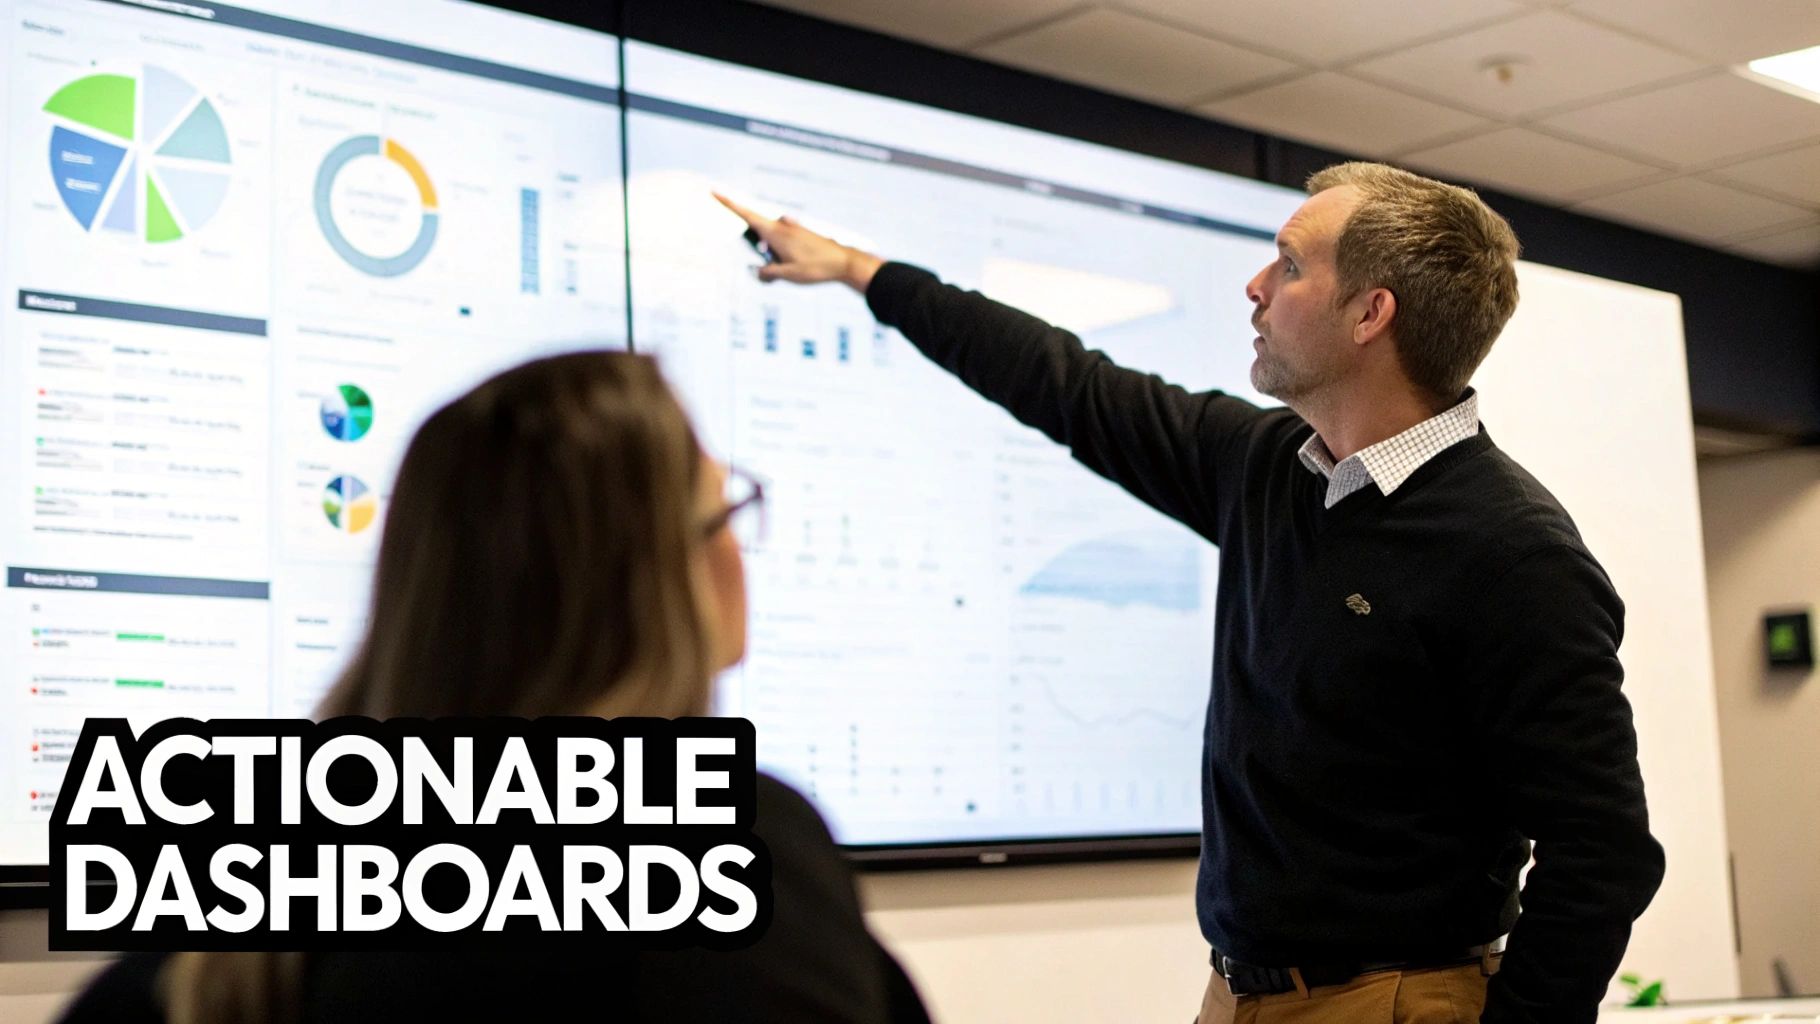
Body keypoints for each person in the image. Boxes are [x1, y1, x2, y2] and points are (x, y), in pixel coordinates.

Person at [715, 161, 1667, 1024]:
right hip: (1240, 991)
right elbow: (1064, 383)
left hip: (1395, 1003)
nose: (1255, 288)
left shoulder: (1510, 550)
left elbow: (1604, 851)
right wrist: (860, 271)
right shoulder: (1268, 470)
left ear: (1371, 314)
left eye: (1289, 267)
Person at [56, 351, 932, 1024]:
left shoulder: (228, 919)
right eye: (723, 514)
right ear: (653, 581)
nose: (740, 551)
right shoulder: (728, 849)